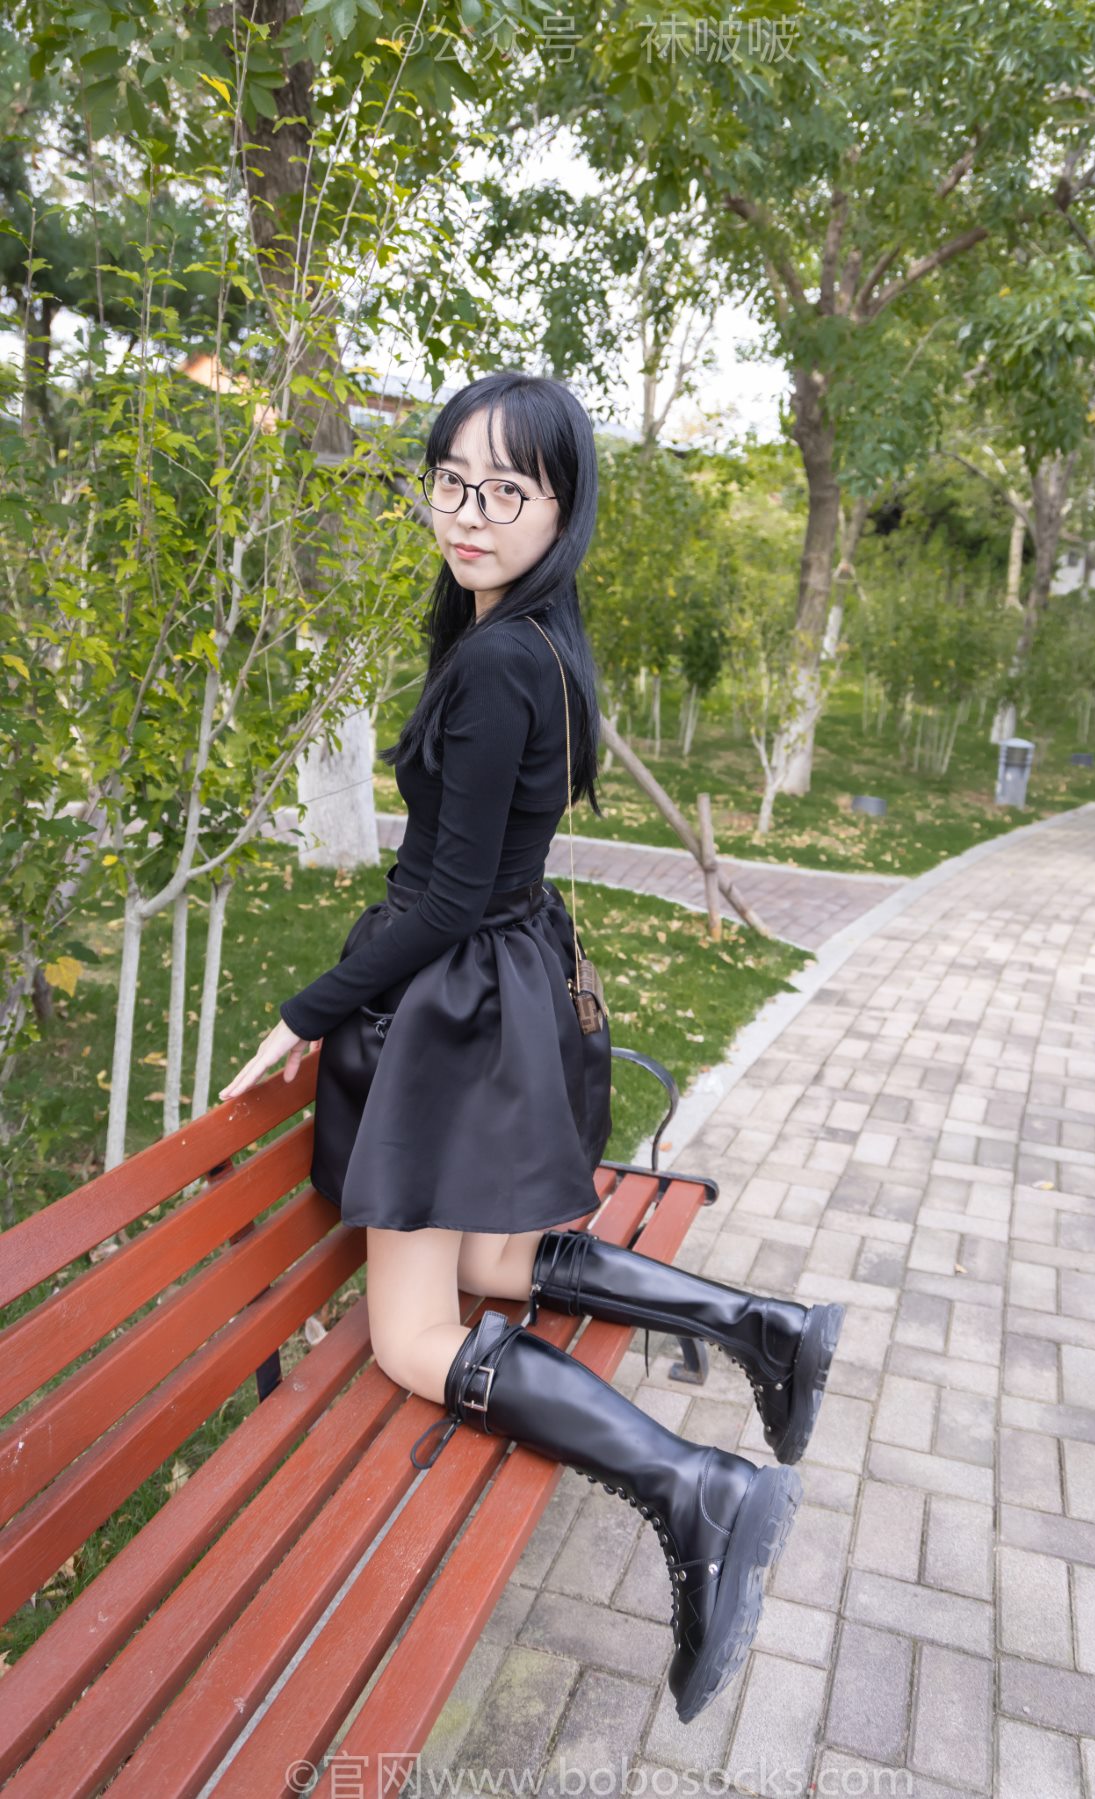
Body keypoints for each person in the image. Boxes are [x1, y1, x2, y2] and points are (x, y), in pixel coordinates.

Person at [218, 371, 844, 1721]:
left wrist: (308, 1009)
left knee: (408, 1340)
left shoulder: (500, 661)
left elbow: (444, 897)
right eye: (450, 479)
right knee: (500, 1263)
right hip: (502, 986)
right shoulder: (539, 641)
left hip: (458, 1006)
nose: (468, 511)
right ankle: (762, 1327)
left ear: (562, 506)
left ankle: (698, 1490)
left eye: (506, 490)